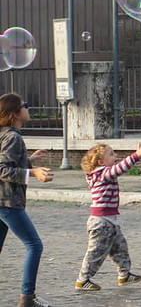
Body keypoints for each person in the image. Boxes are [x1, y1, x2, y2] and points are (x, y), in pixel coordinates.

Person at [75, 142, 141, 291]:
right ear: (100, 162)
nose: (116, 156)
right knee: (96, 253)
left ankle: (124, 275)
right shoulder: (102, 173)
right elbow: (120, 168)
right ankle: (82, 280)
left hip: (110, 221)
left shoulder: (100, 173)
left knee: (120, 248)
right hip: (101, 223)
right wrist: (136, 156)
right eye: (111, 154)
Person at [0, 93, 53, 307]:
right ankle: (27, 298)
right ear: (15, 114)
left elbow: (10, 162)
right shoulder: (13, 137)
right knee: (34, 245)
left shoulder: (5, 134)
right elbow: (2, 168)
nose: (28, 108)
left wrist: (29, 160)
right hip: (8, 202)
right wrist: (33, 173)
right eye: (25, 106)